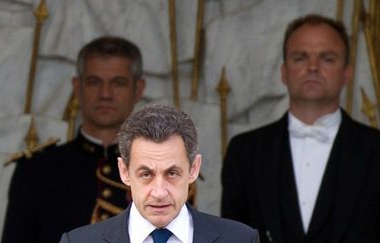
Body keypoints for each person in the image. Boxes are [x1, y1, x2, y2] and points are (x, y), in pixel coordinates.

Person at [221, 13, 380, 243]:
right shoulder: (244, 152)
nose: (313, 67)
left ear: (347, 73)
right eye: (300, 57)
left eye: (327, 58)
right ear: (284, 72)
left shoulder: (376, 150)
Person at [1, 36, 146, 243]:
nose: (105, 94)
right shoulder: (36, 170)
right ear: (77, 88)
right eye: (94, 82)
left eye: (118, 83)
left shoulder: (162, 172)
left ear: (138, 89)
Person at [60, 104, 259, 243]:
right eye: (146, 174)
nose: (159, 192)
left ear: (193, 169)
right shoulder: (78, 241)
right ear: (124, 171)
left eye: (172, 173)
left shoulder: (240, 239)